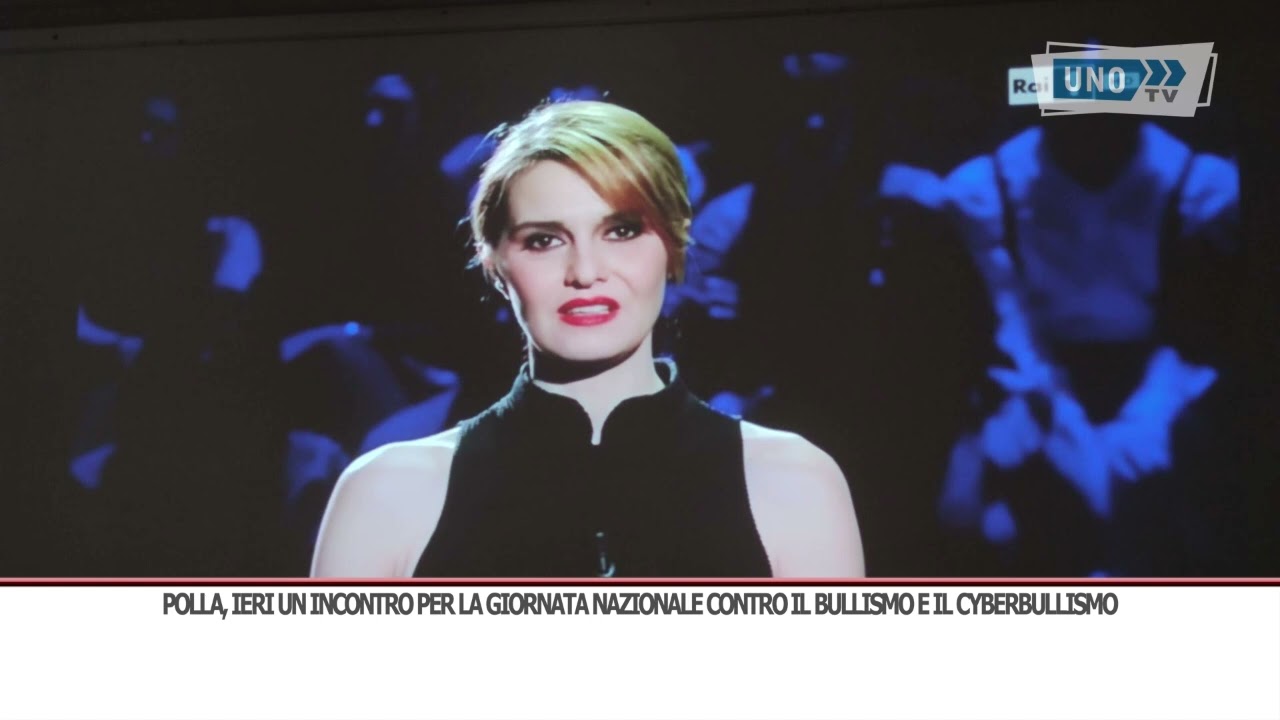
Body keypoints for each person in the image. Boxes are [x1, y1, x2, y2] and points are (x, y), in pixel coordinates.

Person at [311, 100, 864, 578]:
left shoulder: (793, 482)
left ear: (674, 245)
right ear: (495, 265)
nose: (585, 271)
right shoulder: (387, 494)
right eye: (544, 240)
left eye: (622, 231)